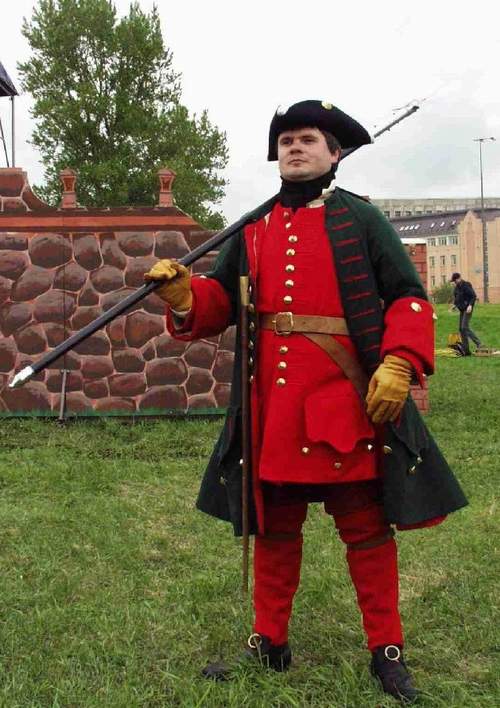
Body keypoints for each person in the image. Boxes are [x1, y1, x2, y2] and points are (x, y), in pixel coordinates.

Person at [145, 100, 467, 704]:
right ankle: (269, 642)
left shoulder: (362, 219)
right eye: (286, 140)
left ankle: (387, 650)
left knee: (366, 529)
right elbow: (220, 301)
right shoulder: (255, 226)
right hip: (273, 409)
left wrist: (399, 361)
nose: (294, 147)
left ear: (334, 153)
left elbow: (408, 295)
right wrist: (187, 296)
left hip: (345, 401)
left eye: (307, 139)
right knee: (274, 526)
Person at [450, 272, 482, 355]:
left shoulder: (466, 285)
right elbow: (457, 298)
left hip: (468, 309)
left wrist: (470, 305)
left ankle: (479, 343)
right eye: (454, 281)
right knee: (461, 329)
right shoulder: (457, 288)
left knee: (464, 327)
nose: (454, 282)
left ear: (459, 278)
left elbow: (473, 296)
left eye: (455, 280)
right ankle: (466, 350)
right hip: (462, 309)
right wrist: (454, 305)